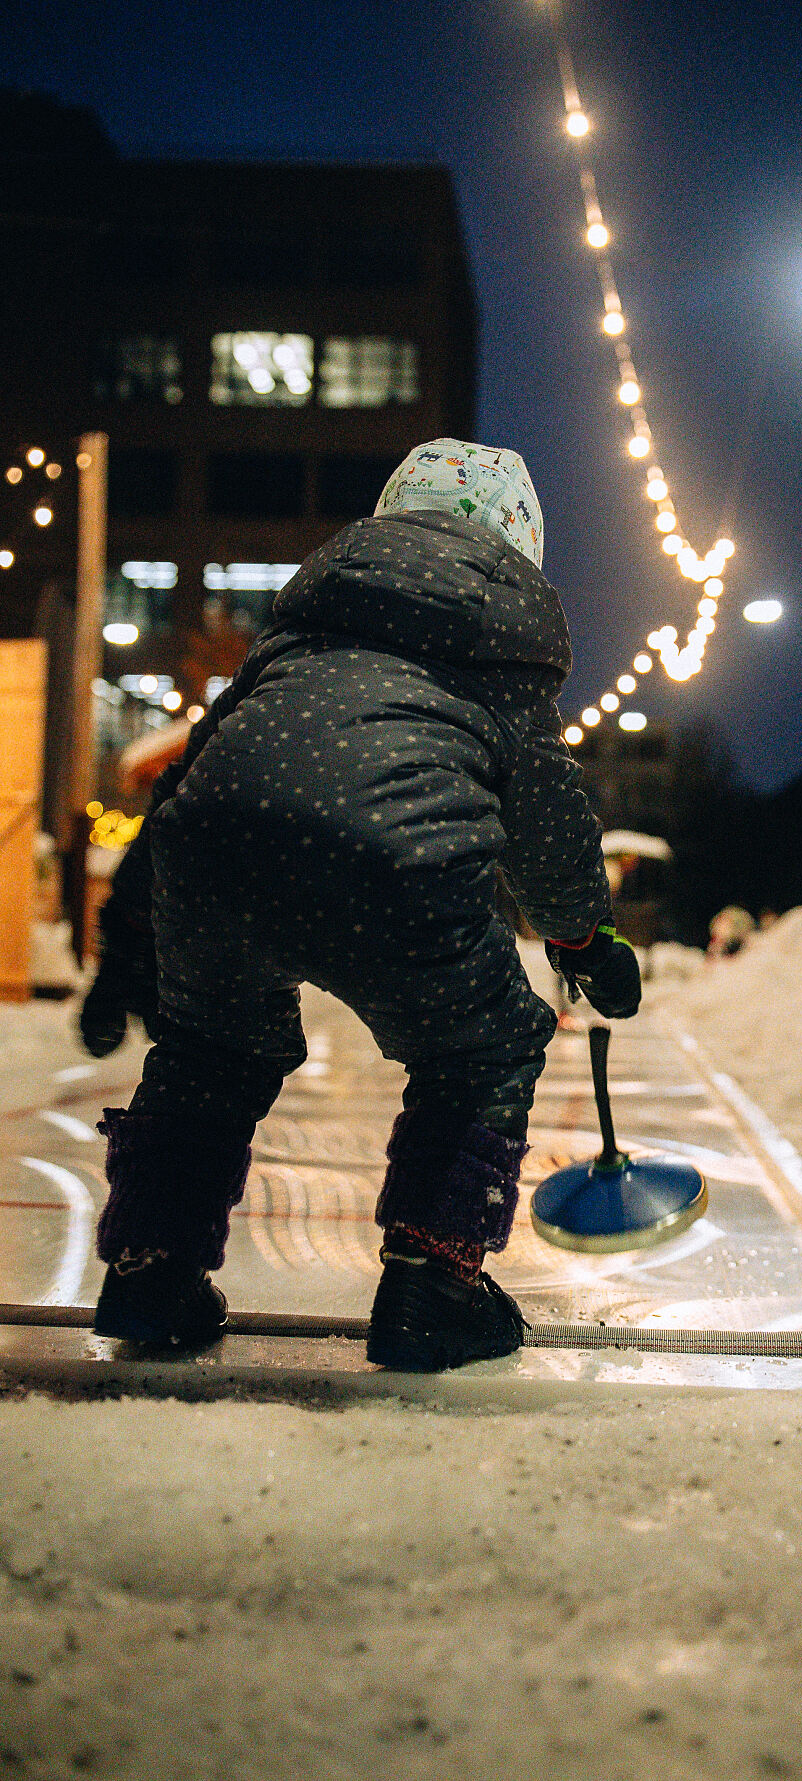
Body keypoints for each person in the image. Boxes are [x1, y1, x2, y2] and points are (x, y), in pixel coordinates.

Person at [78, 439, 641, 1370]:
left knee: (210, 1050)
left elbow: (196, 778)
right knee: (485, 1043)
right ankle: (432, 1277)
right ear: (518, 547)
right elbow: (546, 819)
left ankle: (150, 1270)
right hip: (400, 864)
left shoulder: (303, 620)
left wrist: (129, 935)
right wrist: (583, 937)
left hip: (213, 860)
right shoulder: (501, 640)